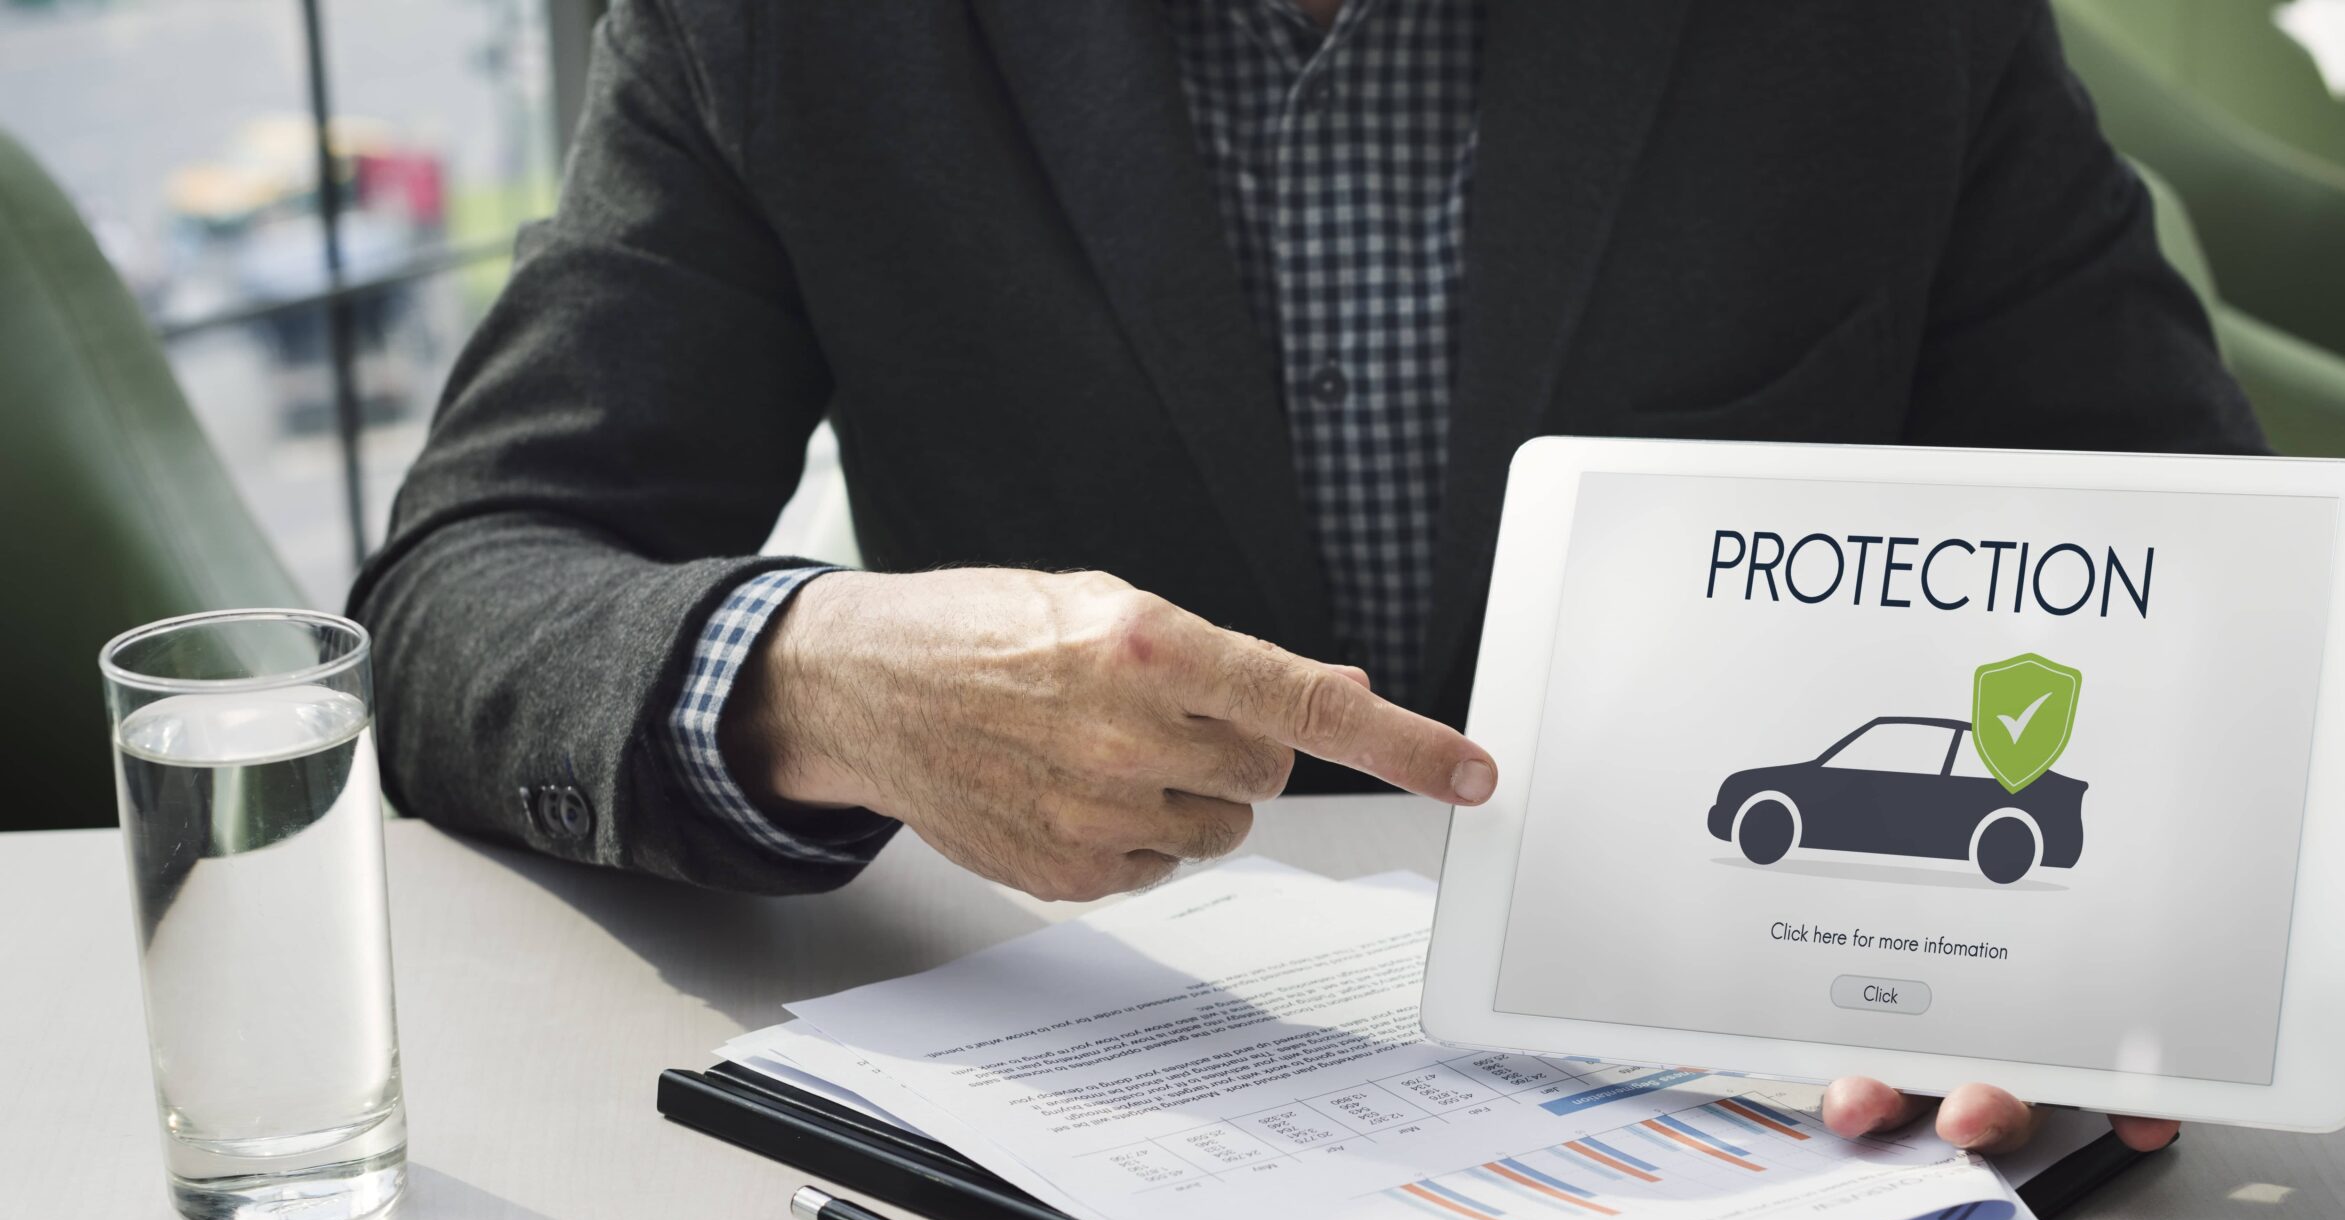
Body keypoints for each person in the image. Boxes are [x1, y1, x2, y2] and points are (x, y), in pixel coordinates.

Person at [355, 0, 2239, 1156]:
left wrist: (2094, 936)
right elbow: (461, 585)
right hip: (1101, 1149)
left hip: (1785, 1129)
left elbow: (2202, 550)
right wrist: (814, 668)